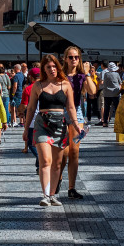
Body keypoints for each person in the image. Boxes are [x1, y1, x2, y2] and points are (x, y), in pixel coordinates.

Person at [26, 55, 79, 206]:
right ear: (44, 69)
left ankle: (52, 194)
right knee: (45, 161)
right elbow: (30, 109)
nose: (52, 69)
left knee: (57, 163)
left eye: (54, 66)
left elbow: (70, 107)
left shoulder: (65, 85)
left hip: (60, 125)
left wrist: (75, 125)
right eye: (48, 67)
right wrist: (25, 130)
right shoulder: (38, 85)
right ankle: (44, 195)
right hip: (42, 124)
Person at [54, 47, 90, 198]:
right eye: (70, 57)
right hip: (62, 113)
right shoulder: (60, 75)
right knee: (63, 154)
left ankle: (71, 188)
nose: (74, 60)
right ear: (65, 59)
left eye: (76, 57)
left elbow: (93, 91)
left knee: (74, 152)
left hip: (78, 114)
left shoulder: (82, 76)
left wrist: (87, 74)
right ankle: (58, 178)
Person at [98, 62, 122, 127]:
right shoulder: (117, 74)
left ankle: (105, 122)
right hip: (115, 93)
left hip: (107, 93)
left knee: (107, 108)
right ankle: (118, 121)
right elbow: (120, 82)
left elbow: (104, 82)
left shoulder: (106, 74)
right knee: (117, 108)